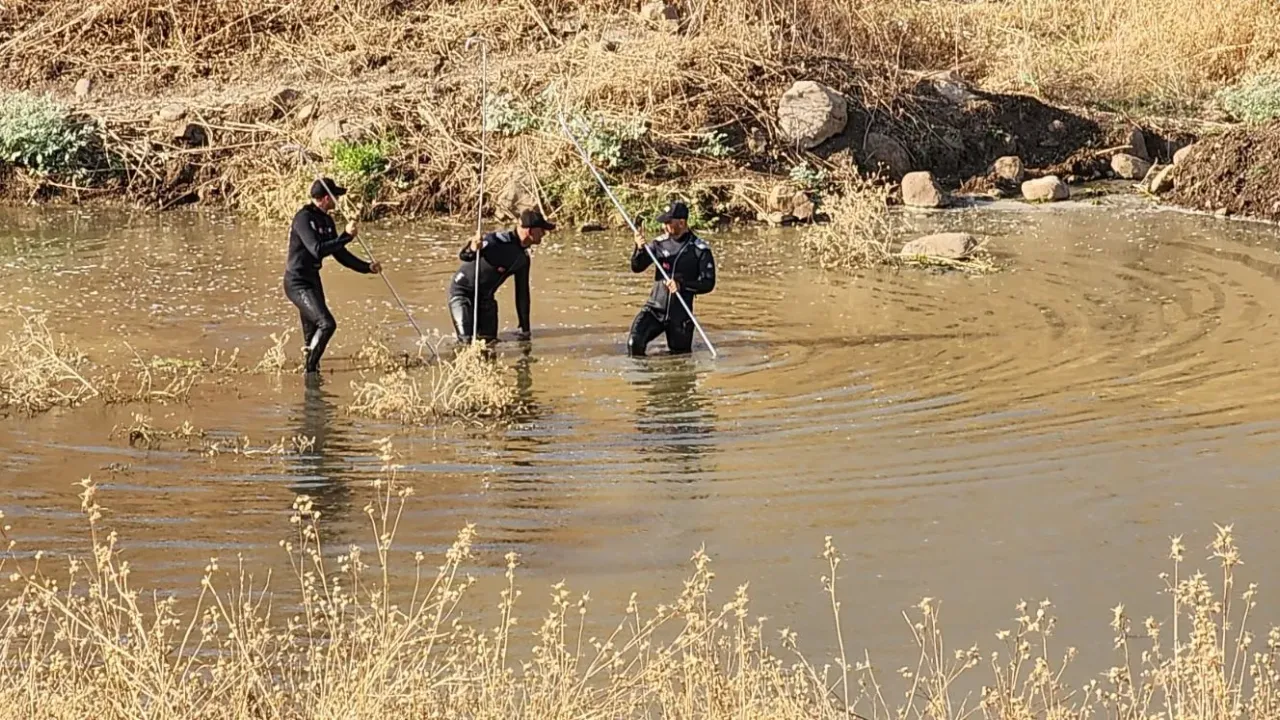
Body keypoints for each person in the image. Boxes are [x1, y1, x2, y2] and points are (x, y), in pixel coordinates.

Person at [283, 178, 382, 375]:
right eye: (335, 196)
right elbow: (317, 250)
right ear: (327, 198)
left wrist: (367, 267)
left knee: (312, 335)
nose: (338, 200)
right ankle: (309, 371)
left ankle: (311, 373)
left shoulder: (327, 221)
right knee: (327, 324)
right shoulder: (303, 218)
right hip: (297, 283)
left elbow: (340, 254)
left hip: (313, 280)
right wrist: (346, 236)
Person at [447, 208, 555, 344]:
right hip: (463, 292)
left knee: (489, 343)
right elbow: (465, 256)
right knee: (466, 342)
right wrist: (472, 248)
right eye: (542, 230)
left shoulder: (522, 259)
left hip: (486, 298)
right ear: (530, 231)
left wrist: (525, 328)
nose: (544, 234)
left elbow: (522, 293)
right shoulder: (496, 242)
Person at [628, 201, 716, 356]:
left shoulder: (700, 250)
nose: (664, 226)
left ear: (682, 223)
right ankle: (642, 378)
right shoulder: (659, 244)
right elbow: (637, 267)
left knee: (679, 359)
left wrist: (682, 285)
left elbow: (708, 283)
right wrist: (639, 248)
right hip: (655, 309)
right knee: (634, 343)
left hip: (680, 315)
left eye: (668, 222)